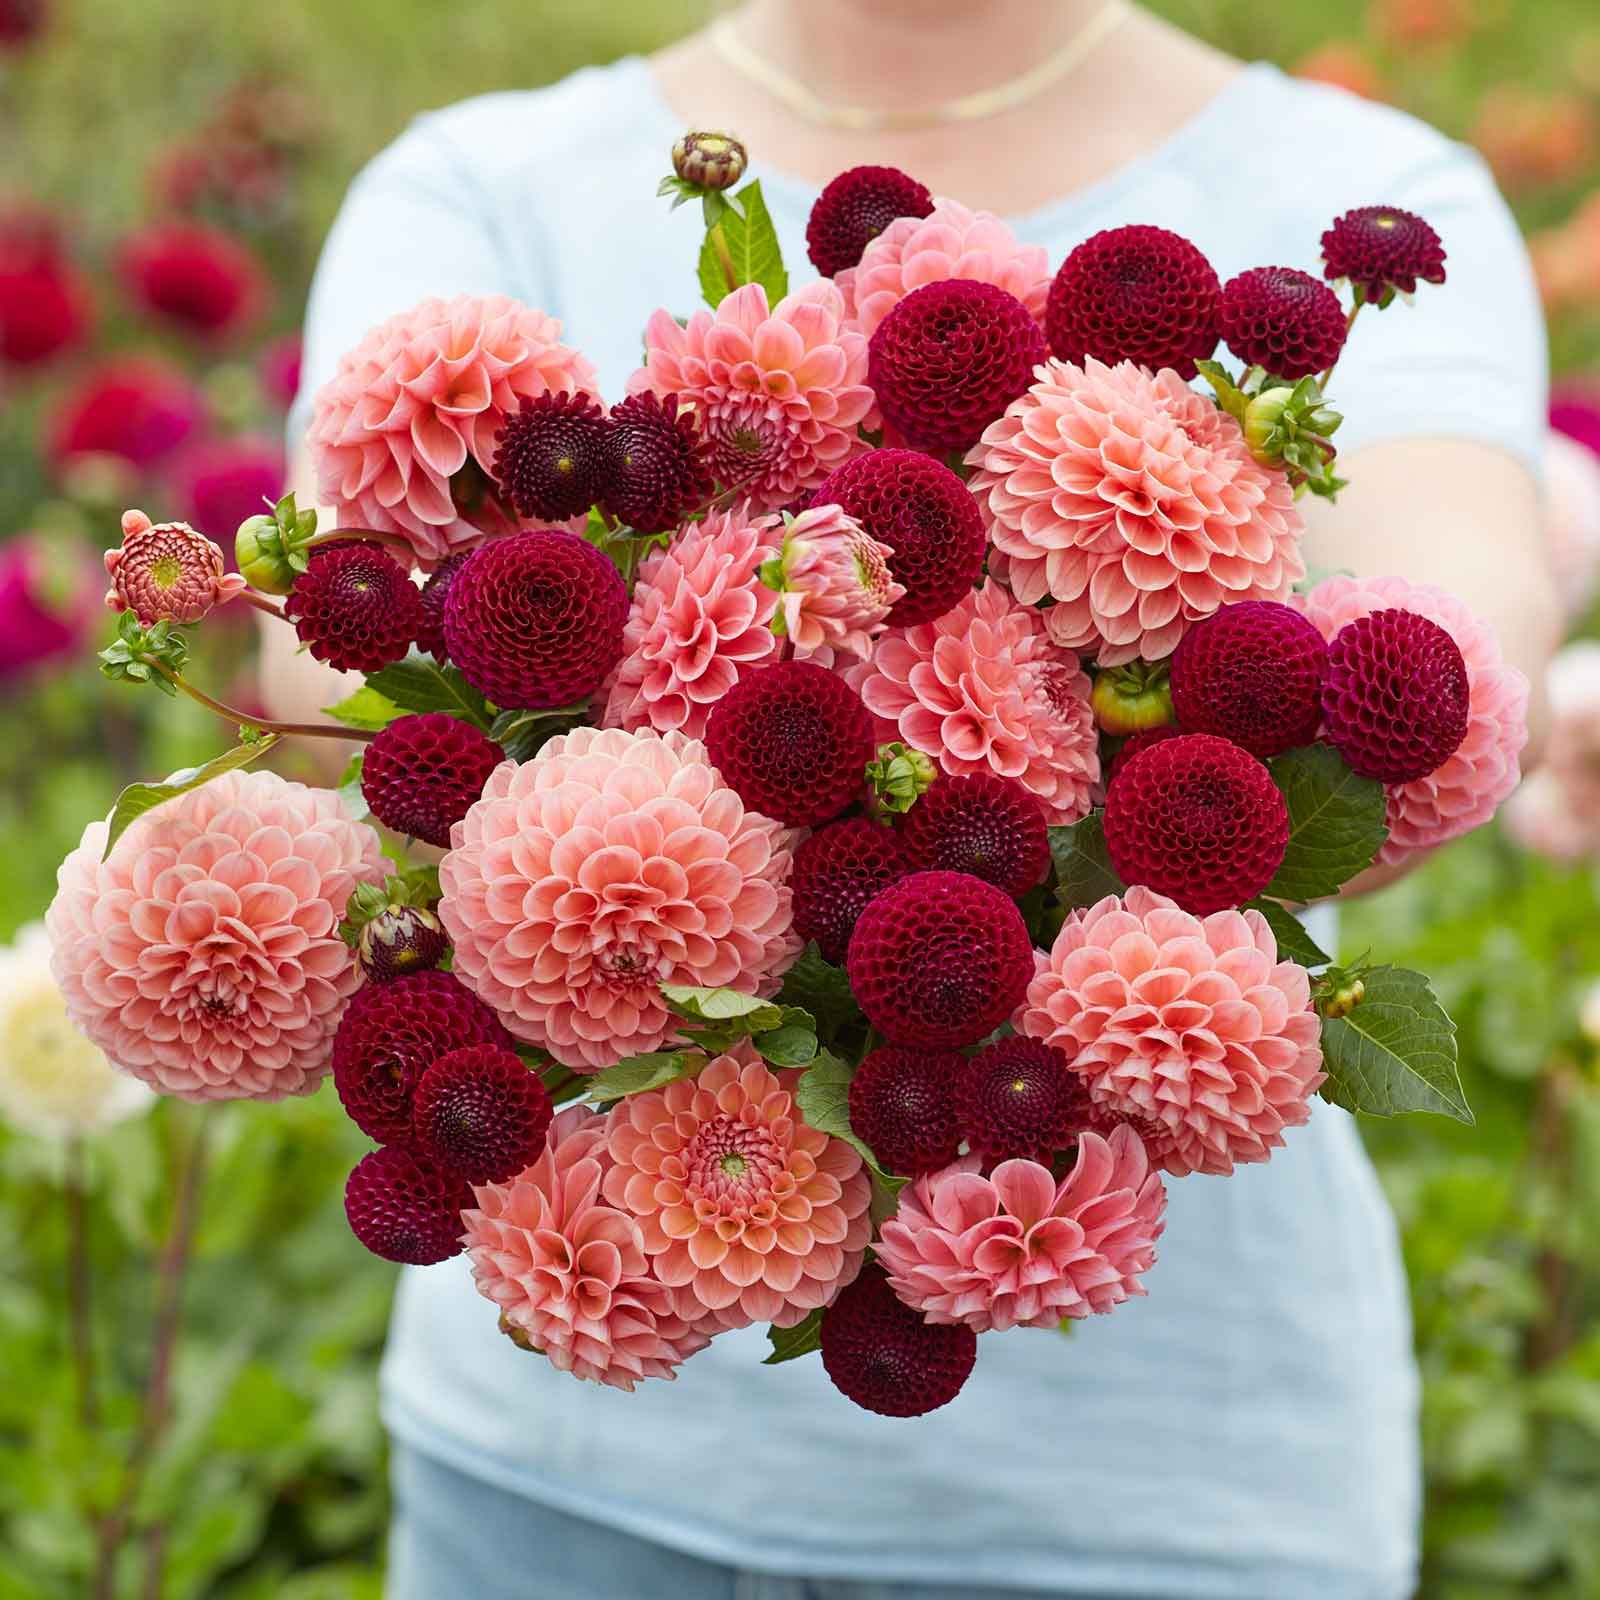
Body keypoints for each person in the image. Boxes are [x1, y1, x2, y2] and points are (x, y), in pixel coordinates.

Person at [275, 2, 1559, 1595]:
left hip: (1162, 1509)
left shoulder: (1353, 170)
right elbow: (333, 675)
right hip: (563, 1485)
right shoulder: (487, 178)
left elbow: (1439, 655)